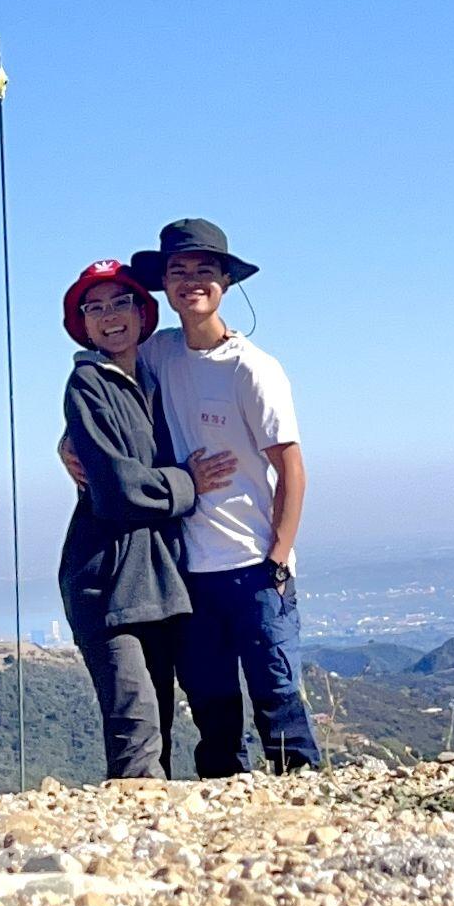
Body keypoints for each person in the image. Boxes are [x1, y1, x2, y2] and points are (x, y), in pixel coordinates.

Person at [133, 218, 320, 775]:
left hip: (252, 565)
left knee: (277, 698)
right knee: (212, 708)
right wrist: (68, 442)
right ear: (164, 283)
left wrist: (277, 559)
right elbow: (105, 384)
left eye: (204, 270)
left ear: (226, 281)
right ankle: (225, 813)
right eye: (179, 270)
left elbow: (292, 469)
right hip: (190, 571)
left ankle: (304, 804)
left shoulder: (252, 369)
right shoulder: (158, 353)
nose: (191, 281)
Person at [53, 259, 202, 780]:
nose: (110, 316)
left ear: (142, 313)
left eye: (121, 303)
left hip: (159, 582)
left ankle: (156, 829)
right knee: (136, 735)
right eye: (95, 308)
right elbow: (118, 491)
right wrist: (189, 482)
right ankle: (133, 828)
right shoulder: (87, 384)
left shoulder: (157, 377)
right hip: (109, 584)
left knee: (159, 727)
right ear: (83, 324)